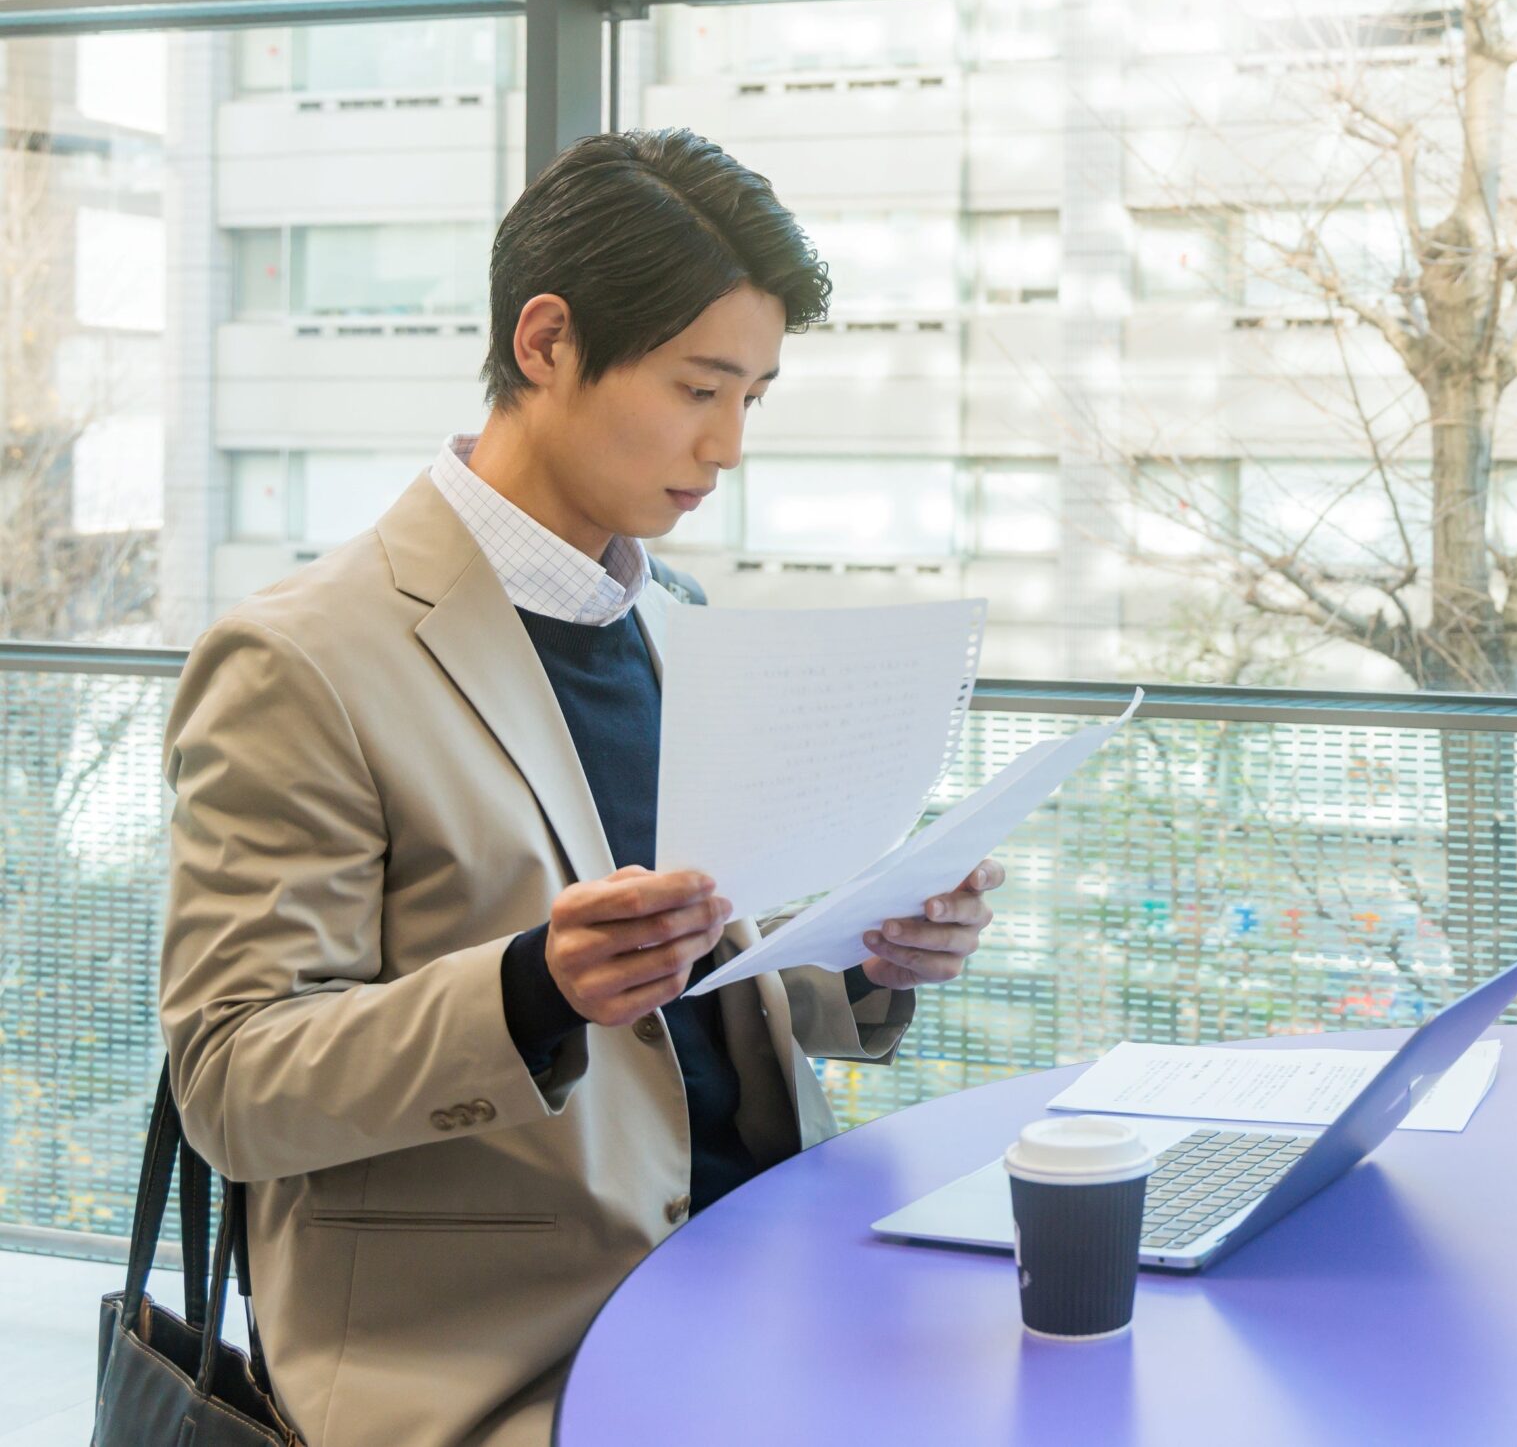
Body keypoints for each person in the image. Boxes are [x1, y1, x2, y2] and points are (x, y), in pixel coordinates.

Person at [159, 128, 1001, 1446]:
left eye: (754, 397)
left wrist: (875, 955)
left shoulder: (675, 617)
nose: (727, 445)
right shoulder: (302, 656)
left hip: (758, 1273)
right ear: (546, 342)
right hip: (509, 1351)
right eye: (696, 386)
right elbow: (230, 1078)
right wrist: (528, 988)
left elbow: (694, 995)